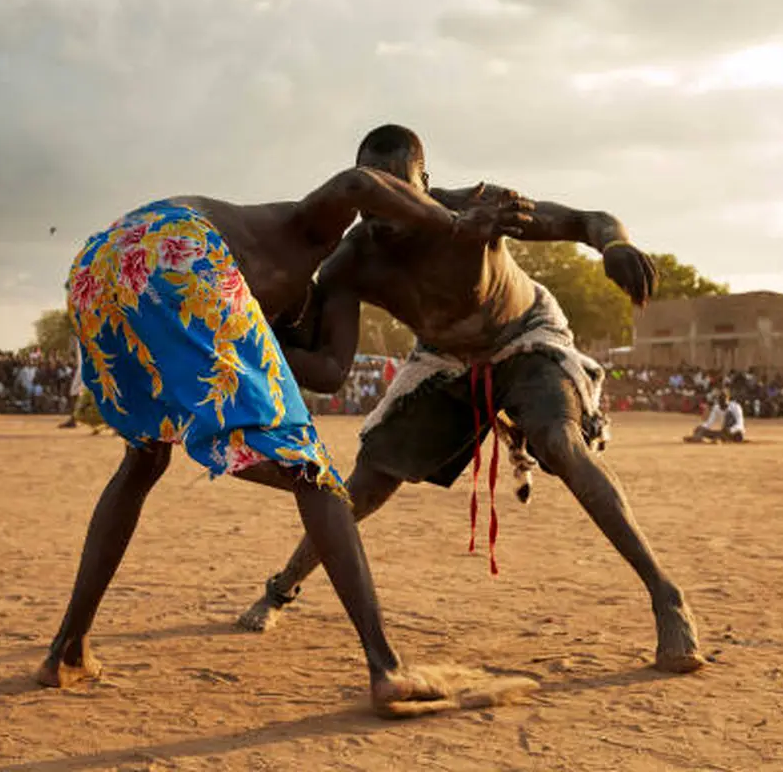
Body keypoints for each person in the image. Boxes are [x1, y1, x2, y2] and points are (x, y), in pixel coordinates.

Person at [38, 163, 534, 717]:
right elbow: (358, 183)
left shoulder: (255, 268)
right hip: (178, 244)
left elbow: (326, 373)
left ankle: (67, 649)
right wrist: (455, 224)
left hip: (100, 264)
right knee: (314, 472)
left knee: (143, 456)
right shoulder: (307, 238)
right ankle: (385, 667)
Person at [236, 124, 703, 675]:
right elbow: (333, 371)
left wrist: (615, 243)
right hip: (443, 359)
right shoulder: (352, 262)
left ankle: (665, 595)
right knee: (367, 482)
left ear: (425, 184)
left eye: (400, 191)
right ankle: (282, 587)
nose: (385, 214)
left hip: (526, 335)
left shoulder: (478, 209)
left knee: (559, 441)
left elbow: (587, 220)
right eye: (372, 199)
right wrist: (253, 339)